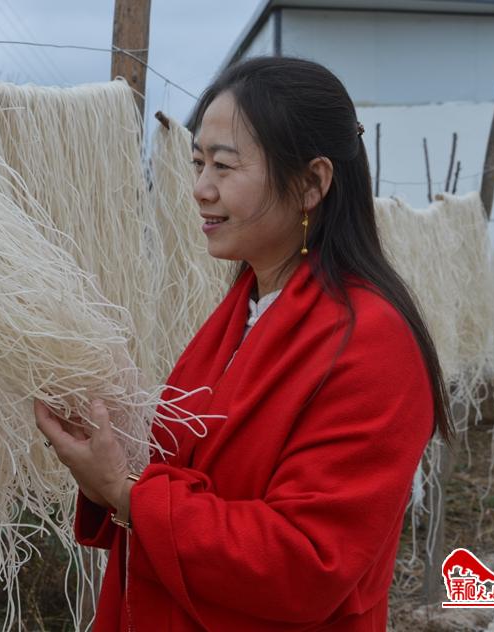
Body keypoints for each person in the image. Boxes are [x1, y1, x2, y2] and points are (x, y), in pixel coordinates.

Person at [34, 56, 452, 631]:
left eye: (224, 166)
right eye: (197, 162)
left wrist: (127, 492)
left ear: (311, 183)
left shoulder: (374, 344)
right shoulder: (244, 309)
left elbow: (305, 563)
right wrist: (109, 444)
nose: (201, 189)